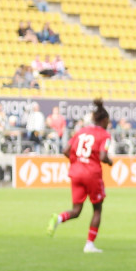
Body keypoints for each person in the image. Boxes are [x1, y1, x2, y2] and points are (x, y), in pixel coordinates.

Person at [47, 99, 112, 253]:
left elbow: (65, 150)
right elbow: (103, 156)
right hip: (92, 173)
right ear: (104, 120)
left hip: (76, 172)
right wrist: (110, 162)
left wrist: (76, 162)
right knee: (97, 209)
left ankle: (58, 218)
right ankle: (89, 245)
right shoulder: (105, 135)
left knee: (76, 210)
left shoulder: (81, 131)